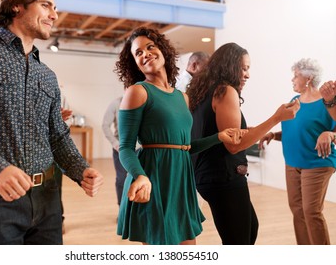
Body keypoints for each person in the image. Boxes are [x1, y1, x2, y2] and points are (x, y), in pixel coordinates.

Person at [0, 0, 103, 245]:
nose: (54, 15)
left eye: (54, 7)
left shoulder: (48, 76)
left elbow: (57, 136)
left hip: (48, 199)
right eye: (46, 5)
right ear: (17, 4)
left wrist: (81, 169)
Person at [114, 27, 248, 245]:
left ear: (163, 50)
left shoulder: (182, 97)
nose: (145, 54)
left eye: (150, 47)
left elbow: (185, 146)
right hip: (154, 177)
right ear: (134, 63)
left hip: (181, 179)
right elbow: (126, 147)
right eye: (138, 53)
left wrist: (219, 137)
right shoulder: (137, 92)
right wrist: (140, 176)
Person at [187, 42, 300, 245]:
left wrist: (258, 130)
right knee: (239, 242)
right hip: (224, 177)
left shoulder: (204, 91)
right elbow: (234, 144)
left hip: (208, 176)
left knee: (249, 230)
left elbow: (224, 132)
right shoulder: (225, 91)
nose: (247, 75)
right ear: (229, 65)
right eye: (244, 68)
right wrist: (277, 117)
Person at [259, 58, 335, 245]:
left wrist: (329, 134)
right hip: (292, 163)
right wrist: (273, 135)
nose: (292, 80)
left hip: (317, 163)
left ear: (308, 78)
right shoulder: (294, 102)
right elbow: (294, 131)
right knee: (298, 210)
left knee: (311, 211)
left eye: (295, 76)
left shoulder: (326, 102)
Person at [102, 96, 128, 208]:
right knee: (121, 179)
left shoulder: (144, 101)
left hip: (139, 149)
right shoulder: (116, 103)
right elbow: (105, 125)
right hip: (121, 149)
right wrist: (115, 143)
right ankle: (121, 209)